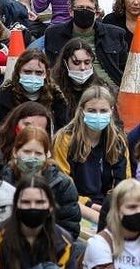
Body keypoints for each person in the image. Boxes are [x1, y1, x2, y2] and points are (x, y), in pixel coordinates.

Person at [0, 176, 78, 269]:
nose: (33, 207)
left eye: (40, 202)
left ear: (51, 206)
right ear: (16, 205)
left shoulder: (64, 242)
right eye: (26, 202)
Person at [52, 86, 129, 223]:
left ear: (111, 111)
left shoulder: (118, 141)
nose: (98, 115)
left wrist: (108, 206)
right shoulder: (65, 139)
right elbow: (61, 184)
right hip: (74, 205)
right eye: (92, 111)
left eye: (103, 111)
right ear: (82, 110)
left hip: (108, 208)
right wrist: (89, 206)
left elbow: (123, 182)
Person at [41, 0, 128, 88]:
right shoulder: (54, 34)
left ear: (97, 13)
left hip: (108, 88)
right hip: (67, 88)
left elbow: (124, 70)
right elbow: (51, 68)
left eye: (89, 8)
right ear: (71, 11)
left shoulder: (115, 34)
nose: (84, 12)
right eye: (80, 8)